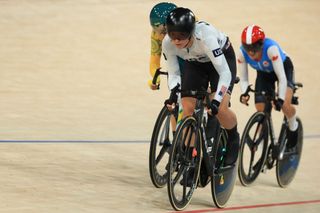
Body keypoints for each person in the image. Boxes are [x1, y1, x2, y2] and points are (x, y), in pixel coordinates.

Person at [162, 7, 240, 168]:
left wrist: (217, 101)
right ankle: (190, 159)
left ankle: (233, 138)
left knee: (221, 108)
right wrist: (173, 95)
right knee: (187, 107)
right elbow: (174, 73)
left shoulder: (206, 38)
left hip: (221, 61)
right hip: (195, 63)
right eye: (173, 36)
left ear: (190, 32)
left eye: (181, 36)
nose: (176, 41)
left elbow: (225, 73)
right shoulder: (167, 43)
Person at [238, 25, 299, 148]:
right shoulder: (241, 53)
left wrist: (280, 100)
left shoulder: (271, 49)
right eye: (247, 48)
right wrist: (244, 93)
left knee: (285, 105)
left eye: (254, 48)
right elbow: (243, 78)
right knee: (261, 108)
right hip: (264, 74)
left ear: (261, 45)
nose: (250, 52)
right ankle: (264, 144)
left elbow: (282, 78)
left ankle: (293, 126)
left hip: (283, 69)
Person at [148, 2, 177, 90]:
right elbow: (154, 62)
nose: (161, 36)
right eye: (157, 30)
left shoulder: (190, 25)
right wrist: (156, 78)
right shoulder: (156, 34)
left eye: (164, 31)